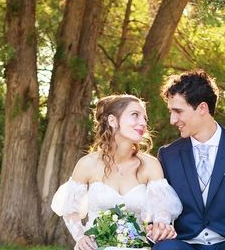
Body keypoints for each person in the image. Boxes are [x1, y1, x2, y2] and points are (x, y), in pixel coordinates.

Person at [153, 70, 225, 250]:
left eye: (177, 111)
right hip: (184, 244)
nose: (172, 120)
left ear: (202, 108)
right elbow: (162, 205)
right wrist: (161, 225)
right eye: (170, 112)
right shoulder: (168, 155)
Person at [51, 94, 183, 250]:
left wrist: (161, 225)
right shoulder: (87, 164)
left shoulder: (150, 165)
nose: (143, 123)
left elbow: (162, 209)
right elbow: (70, 210)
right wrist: (80, 237)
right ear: (112, 121)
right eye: (135, 115)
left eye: (145, 119)